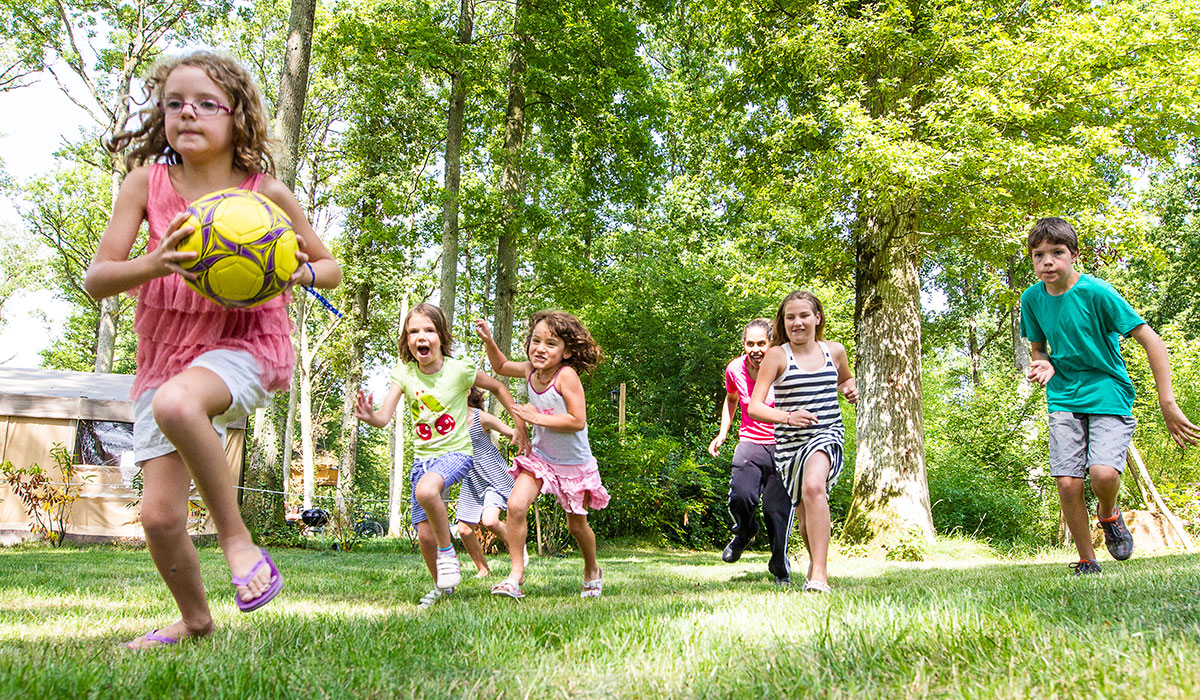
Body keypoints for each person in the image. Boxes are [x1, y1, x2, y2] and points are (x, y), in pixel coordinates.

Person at [84, 51, 342, 649]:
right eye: (174, 103)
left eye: (205, 103)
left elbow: (327, 268)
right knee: (159, 518)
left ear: (237, 117)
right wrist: (153, 263)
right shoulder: (144, 183)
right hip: (166, 352)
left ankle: (236, 540)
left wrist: (292, 274)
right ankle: (196, 619)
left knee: (179, 405)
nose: (187, 114)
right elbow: (98, 278)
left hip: (245, 342)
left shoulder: (265, 191)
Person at [1020, 217, 1200, 574]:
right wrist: (1045, 365)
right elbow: (1038, 349)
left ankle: (1109, 514)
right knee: (1068, 482)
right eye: (1038, 255)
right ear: (1032, 260)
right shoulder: (1032, 299)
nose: (1047, 262)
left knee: (1102, 474)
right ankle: (1087, 560)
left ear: (1074, 255)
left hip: (1107, 389)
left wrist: (1168, 403)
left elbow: (1153, 342)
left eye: (1057, 252)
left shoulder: (1097, 293)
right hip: (1063, 395)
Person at [355, 303, 528, 608]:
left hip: (456, 453)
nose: (421, 336)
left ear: (441, 337)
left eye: (429, 330)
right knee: (424, 536)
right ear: (407, 341)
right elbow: (383, 418)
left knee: (426, 490)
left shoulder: (459, 369)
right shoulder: (404, 374)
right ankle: (442, 587)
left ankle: (449, 554)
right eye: (414, 332)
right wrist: (369, 417)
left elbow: (499, 387)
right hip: (423, 460)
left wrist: (518, 424)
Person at [474, 312, 610, 599]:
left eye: (550, 344)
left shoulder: (567, 376)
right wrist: (488, 340)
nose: (540, 348)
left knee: (577, 526)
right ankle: (515, 577)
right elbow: (499, 365)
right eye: (536, 341)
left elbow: (577, 421)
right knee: (515, 505)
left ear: (567, 351)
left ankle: (592, 569)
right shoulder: (529, 371)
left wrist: (536, 417)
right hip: (541, 459)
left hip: (574, 464)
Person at [748, 291, 857, 593]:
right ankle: (814, 565)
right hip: (790, 444)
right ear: (783, 322)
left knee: (813, 487)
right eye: (790, 317)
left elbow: (846, 379)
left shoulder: (834, 351)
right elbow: (755, 407)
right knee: (805, 512)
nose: (798, 322)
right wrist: (788, 416)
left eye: (804, 315)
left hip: (827, 434)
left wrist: (850, 389)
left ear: (818, 318)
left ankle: (820, 574)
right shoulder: (777, 355)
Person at [707, 319, 793, 583]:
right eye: (750, 344)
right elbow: (731, 399)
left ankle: (780, 565)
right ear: (744, 345)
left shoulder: (786, 367)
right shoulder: (734, 369)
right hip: (750, 442)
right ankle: (744, 532)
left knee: (776, 511)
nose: (755, 349)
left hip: (783, 445)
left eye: (761, 344)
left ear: (771, 344)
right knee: (741, 498)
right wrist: (723, 432)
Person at [455, 387, 523, 578]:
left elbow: (513, 434)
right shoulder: (448, 422)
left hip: (494, 476)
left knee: (490, 521)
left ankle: (518, 548)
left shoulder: (480, 417)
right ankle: (483, 570)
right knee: (464, 530)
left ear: (466, 390)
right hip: (472, 480)